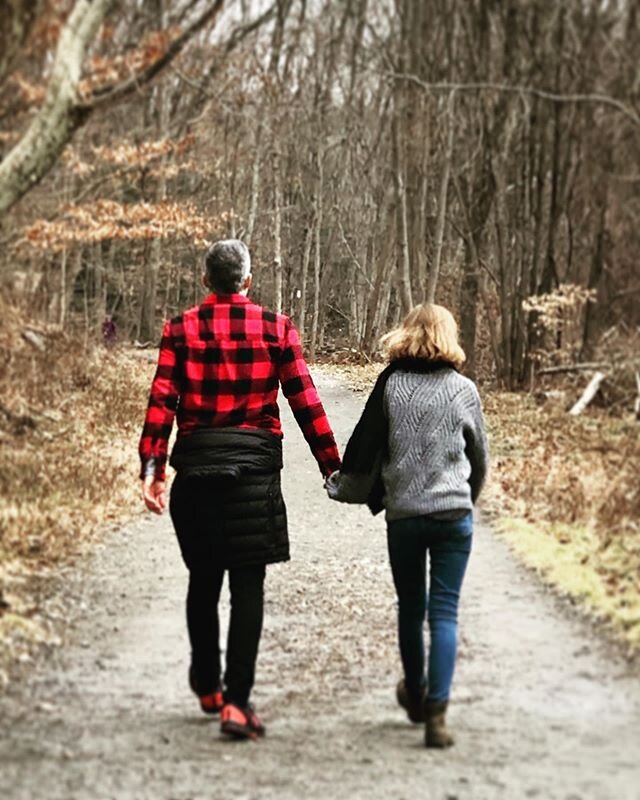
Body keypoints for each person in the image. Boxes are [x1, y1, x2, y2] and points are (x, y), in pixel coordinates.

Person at [138, 239, 341, 740]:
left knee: (203, 580)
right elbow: (304, 400)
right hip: (253, 475)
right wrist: (331, 467)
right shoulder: (276, 328)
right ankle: (237, 703)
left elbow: (162, 403)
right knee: (248, 585)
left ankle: (207, 686)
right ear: (247, 281)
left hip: (197, 473)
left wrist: (152, 469)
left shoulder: (179, 329)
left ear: (206, 280)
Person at [326, 303, 488, 748]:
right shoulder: (463, 390)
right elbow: (480, 461)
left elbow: (367, 449)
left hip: (405, 517)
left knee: (412, 608)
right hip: (454, 516)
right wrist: (464, 503)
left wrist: (343, 486)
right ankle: (437, 714)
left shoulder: (391, 386)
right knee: (444, 613)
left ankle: (415, 697)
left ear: (407, 334)